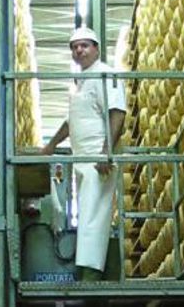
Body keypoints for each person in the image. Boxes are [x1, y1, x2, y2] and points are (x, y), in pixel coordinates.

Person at [41, 27, 126, 282]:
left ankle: (91, 277)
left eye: (85, 45)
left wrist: (106, 153)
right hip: (82, 161)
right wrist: (51, 145)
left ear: (97, 48)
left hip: (98, 160)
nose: (79, 50)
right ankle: (93, 272)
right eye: (75, 47)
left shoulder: (106, 75)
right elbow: (71, 122)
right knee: (88, 216)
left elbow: (118, 113)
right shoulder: (77, 84)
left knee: (93, 218)